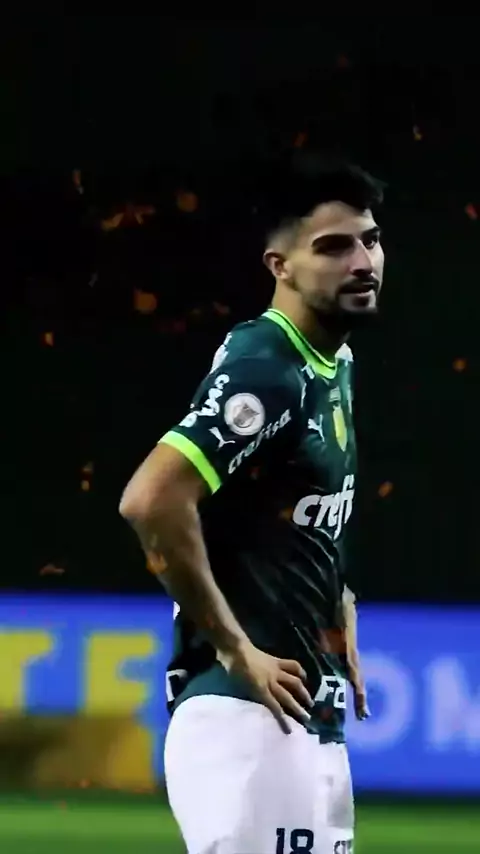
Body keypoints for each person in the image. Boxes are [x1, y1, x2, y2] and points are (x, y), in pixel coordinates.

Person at [120, 154, 384, 854]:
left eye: (370, 240)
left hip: (299, 715)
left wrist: (336, 596)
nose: (363, 262)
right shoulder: (268, 370)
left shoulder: (332, 362)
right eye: (334, 247)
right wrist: (236, 648)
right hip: (247, 720)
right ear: (281, 266)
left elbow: (276, 507)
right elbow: (151, 499)